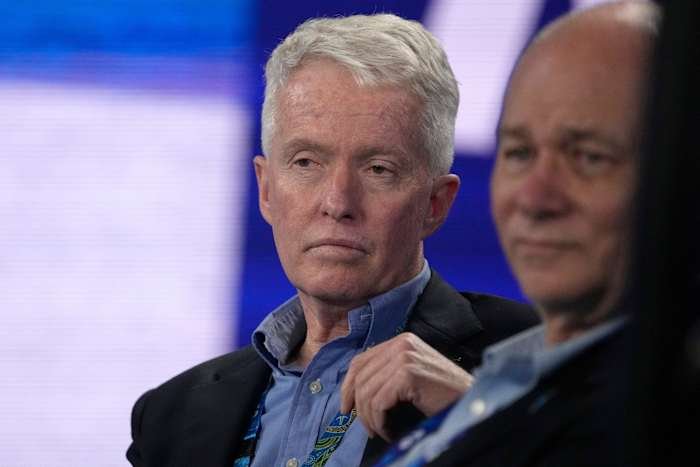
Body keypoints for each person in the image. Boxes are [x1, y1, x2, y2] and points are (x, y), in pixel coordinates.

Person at [126, 13, 538, 467]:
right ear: (266, 190)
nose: (337, 202)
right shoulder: (172, 416)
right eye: (306, 162)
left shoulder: (537, 362)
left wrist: (475, 416)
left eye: (378, 169)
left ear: (435, 204)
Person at [374, 2, 660, 466]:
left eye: (589, 157)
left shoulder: (655, 418)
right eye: (519, 152)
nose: (534, 197)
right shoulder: (501, 384)